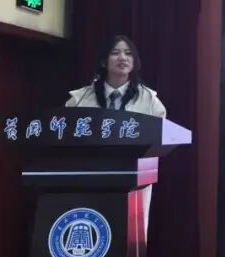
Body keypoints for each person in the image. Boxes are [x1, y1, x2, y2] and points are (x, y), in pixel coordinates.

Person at [66, 35, 166, 234]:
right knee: (94, 233)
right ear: (104, 61)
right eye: (115, 52)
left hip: (133, 181)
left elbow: (160, 138)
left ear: (134, 62)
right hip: (90, 179)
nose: (123, 58)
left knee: (128, 237)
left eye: (128, 53)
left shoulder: (150, 101)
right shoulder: (79, 99)